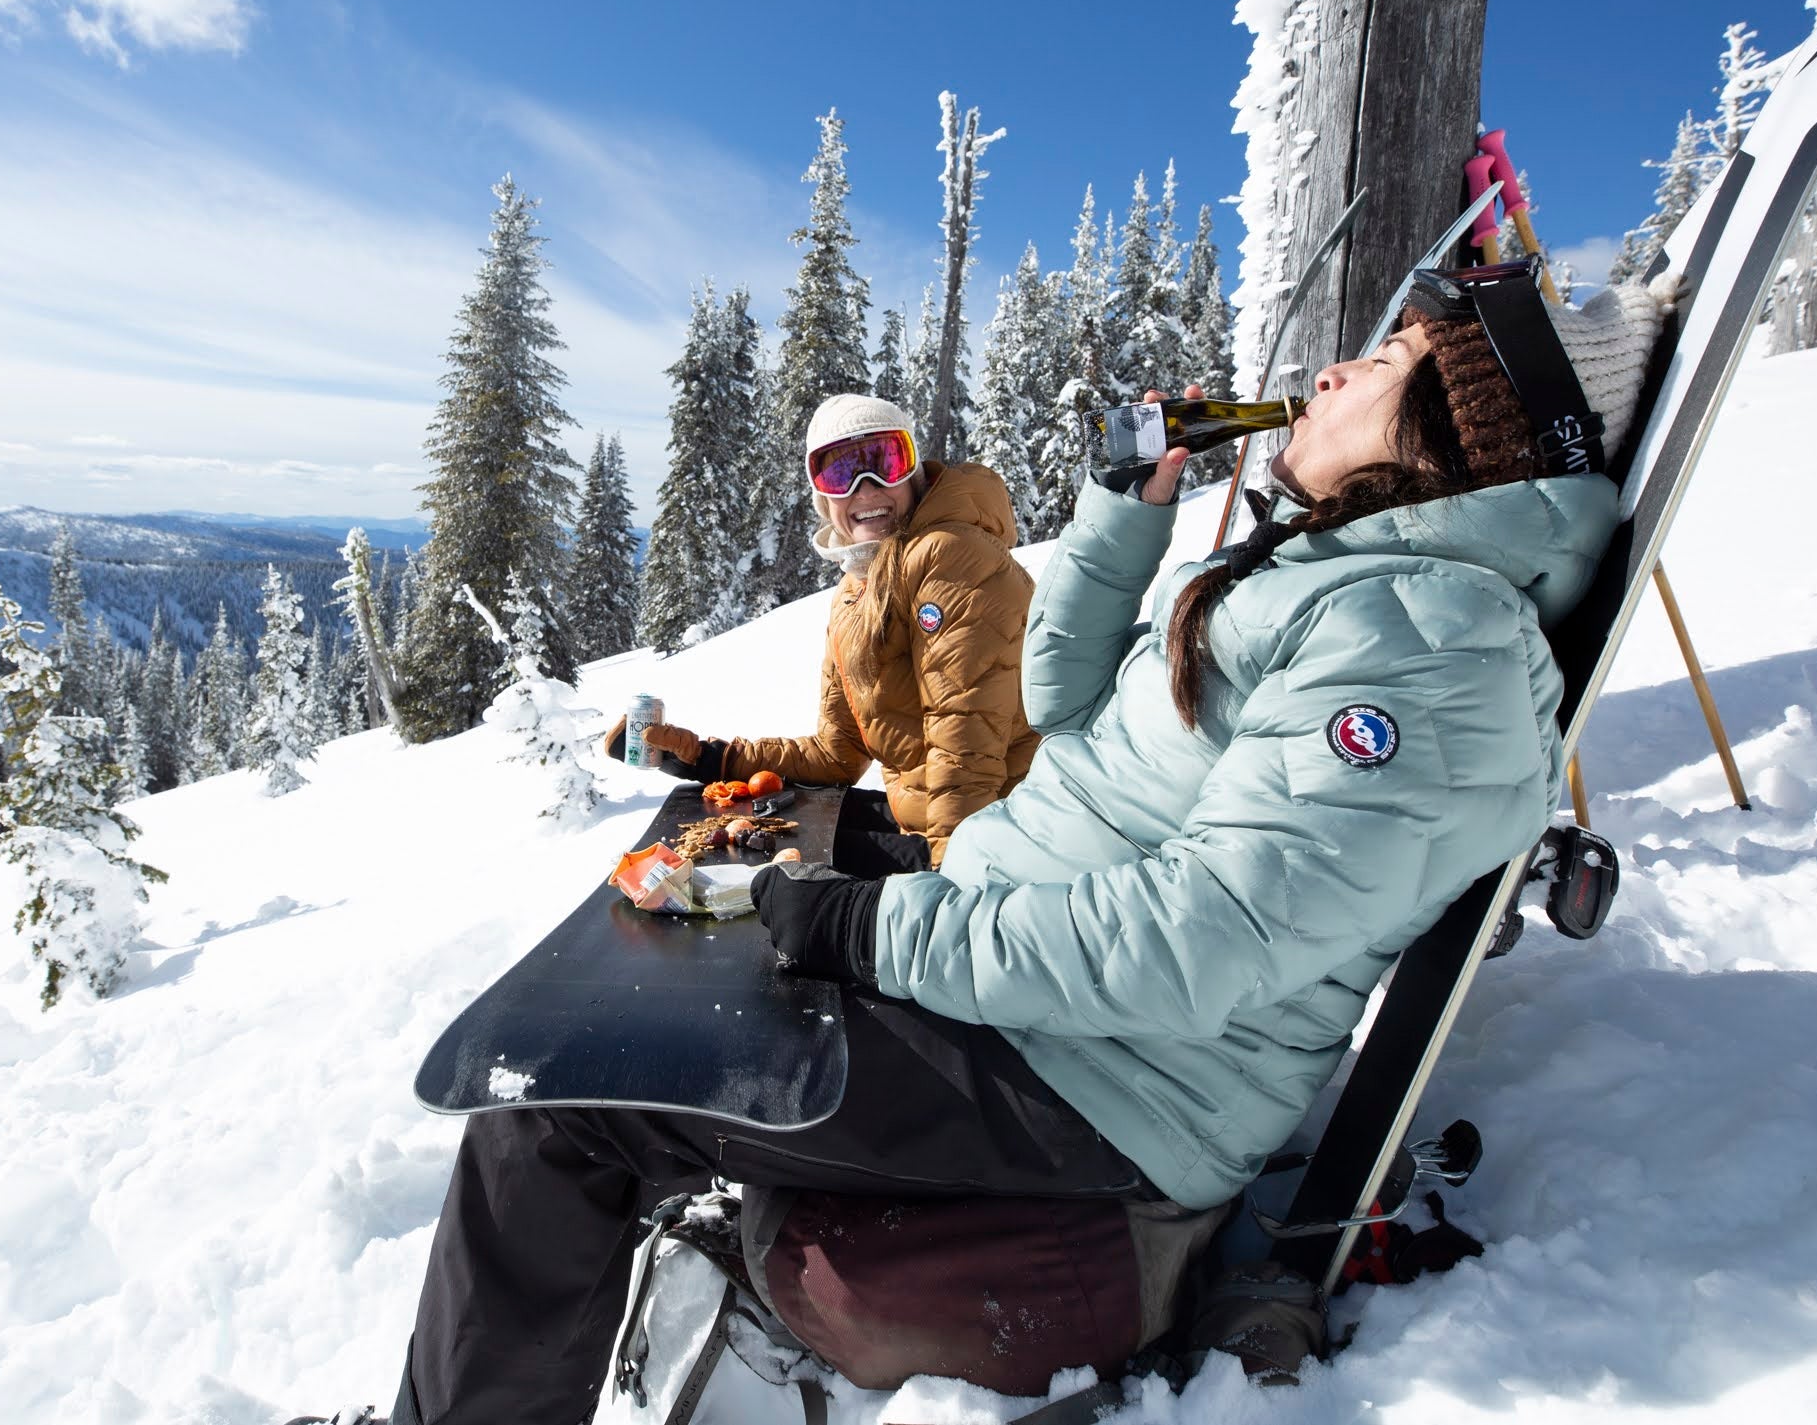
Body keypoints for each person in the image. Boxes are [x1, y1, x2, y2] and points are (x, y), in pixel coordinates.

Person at [381, 267, 1675, 1424]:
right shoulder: (1344, 575)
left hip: (1100, 1084)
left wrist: (874, 929)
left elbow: (1199, 943)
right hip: (1033, 974)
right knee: (708, 891)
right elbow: (1062, 701)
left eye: (1386, 367)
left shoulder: (1429, 646)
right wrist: (1126, 512)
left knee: (564, 1106)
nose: (1333, 370)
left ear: (1471, 437)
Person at [609, 394, 1038, 875]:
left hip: (1006, 834)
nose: (866, 488)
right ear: (822, 496)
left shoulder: (951, 556)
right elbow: (838, 755)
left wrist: (953, 897)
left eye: (885, 461)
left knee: (774, 884)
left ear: (914, 469)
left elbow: (966, 753)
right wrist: (711, 759)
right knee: (757, 841)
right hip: (928, 822)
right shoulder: (857, 592)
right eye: (840, 474)